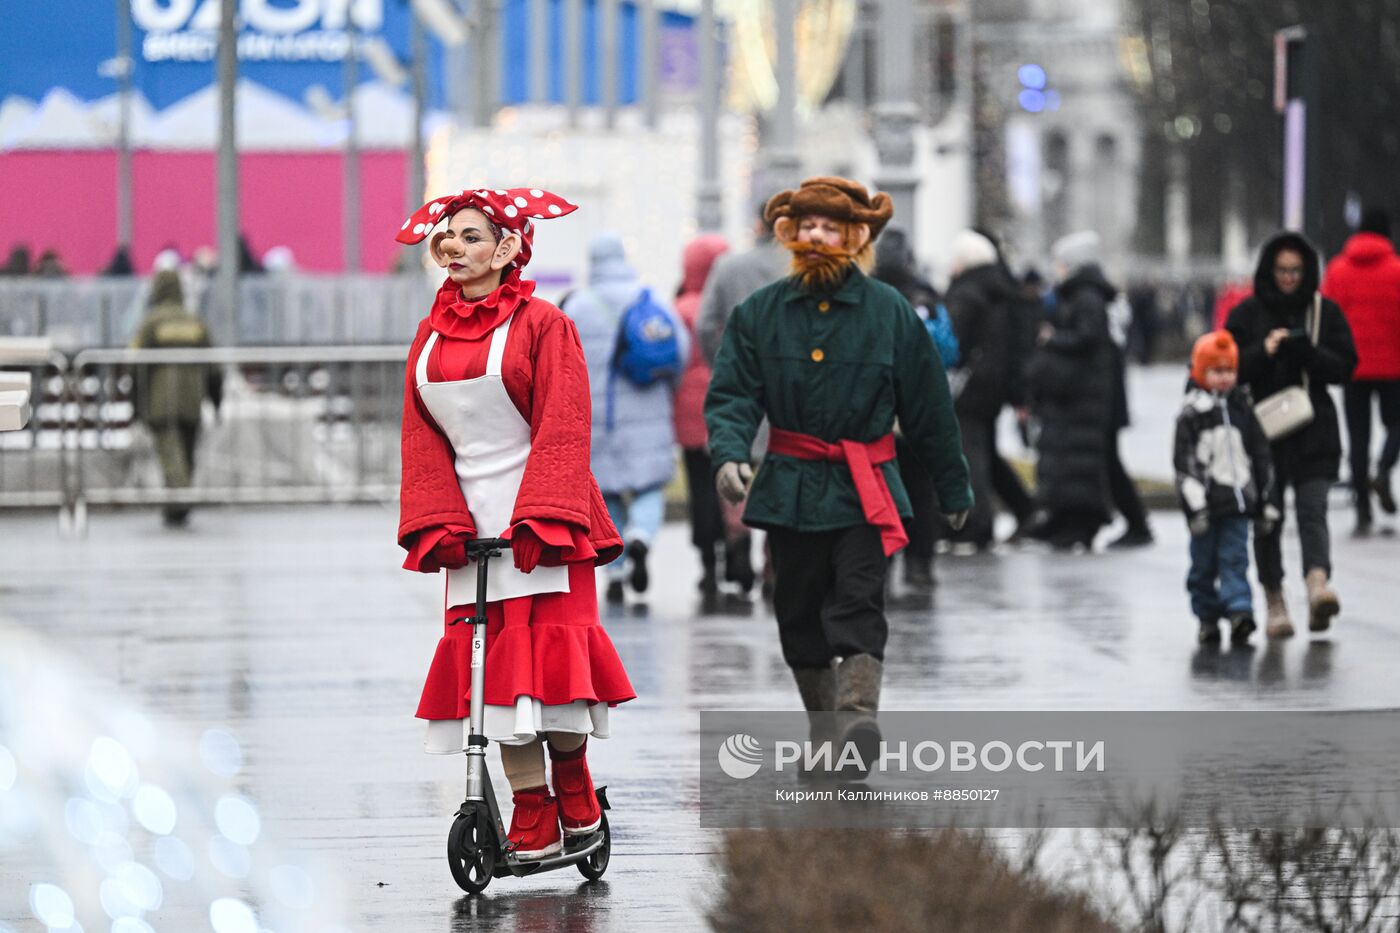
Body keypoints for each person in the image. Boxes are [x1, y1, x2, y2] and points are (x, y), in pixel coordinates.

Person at [394, 187, 636, 860]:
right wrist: (436, 518)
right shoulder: (429, 334)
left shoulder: (543, 324)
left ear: (507, 248)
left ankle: (574, 786)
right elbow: (420, 438)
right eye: (448, 236)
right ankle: (531, 806)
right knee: (491, 682)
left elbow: (565, 425)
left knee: (554, 674)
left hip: (545, 526)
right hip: (471, 529)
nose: (453, 246)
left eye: (470, 235)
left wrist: (544, 512)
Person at [705, 176, 972, 762]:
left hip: (864, 486)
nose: (818, 236)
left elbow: (929, 406)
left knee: (858, 600)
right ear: (790, 234)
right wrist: (729, 453)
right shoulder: (760, 313)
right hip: (791, 487)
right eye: (808, 226)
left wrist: (952, 486)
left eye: (830, 227)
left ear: (855, 238)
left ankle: (856, 719)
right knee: (797, 612)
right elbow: (732, 394)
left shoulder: (890, 312)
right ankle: (826, 731)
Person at [1226, 232, 1358, 637]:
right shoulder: (1247, 314)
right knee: (1268, 519)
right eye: (1282, 270)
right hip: (1263, 436)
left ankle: (1317, 586)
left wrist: (1306, 353)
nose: (1288, 278)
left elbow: (1346, 366)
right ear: (1269, 270)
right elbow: (1227, 369)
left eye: (1296, 271)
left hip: (1314, 430)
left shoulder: (1323, 311)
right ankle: (1275, 600)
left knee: (1312, 510)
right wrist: (1262, 352)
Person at [562, 234, 687, 605]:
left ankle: (615, 569)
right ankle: (641, 537)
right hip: (649, 406)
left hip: (596, 413)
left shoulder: (577, 305)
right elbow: (680, 350)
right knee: (650, 485)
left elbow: (560, 361)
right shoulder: (650, 298)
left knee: (608, 490)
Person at [1174, 330, 1276, 647]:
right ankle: (1207, 617)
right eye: (1216, 371)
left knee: (1235, 559)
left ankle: (1239, 610)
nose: (1224, 378)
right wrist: (1194, 506)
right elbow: (1185, 465)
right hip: (1205, 506)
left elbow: (1260, 456)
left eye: (1229, 370)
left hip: (1238, 503)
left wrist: (1264, 500)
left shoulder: (1243, 410)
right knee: (1203, 567)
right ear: (1200, 372)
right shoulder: (1192, 414)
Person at [1024, 232, 1117, 550]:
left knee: (1078, 465)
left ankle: (1079, 523)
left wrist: (1052, 338)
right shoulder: (1079, 295)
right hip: (1075, 394)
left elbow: (1087, 338)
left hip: (1081, 394)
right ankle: (1064, 518)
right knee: (1068, 463)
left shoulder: (1085, 297)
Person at [873, 226, 945, 588]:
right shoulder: (925, 297)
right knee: (920, 487)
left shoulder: (862, 295)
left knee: (878, 488)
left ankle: (881, 561)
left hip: (875, 410)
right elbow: (948, 349)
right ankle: (920, 562)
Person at [1322, 207, 1400, 535]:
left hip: (1351, 366)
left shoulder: (1338, 270)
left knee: (1357, 438)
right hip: (1394, 365)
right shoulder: (1396, 270)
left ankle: (1363, 510)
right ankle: (1383, 469)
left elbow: (1326, 316)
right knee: (1396, 424)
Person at [673, 233, 741, 596]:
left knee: (700, 487)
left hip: (689, 409)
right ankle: (736, 552)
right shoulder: (733, 305)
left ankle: (708, 565)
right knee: (733, 482)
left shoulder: (680, 308)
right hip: (728, 405)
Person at [944, 230, 1018, 551]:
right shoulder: (1000, 288)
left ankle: (975, 524)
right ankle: (1019, 510)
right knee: (984, 452)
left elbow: (953, 341)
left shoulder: (966, 293)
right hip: (992, 384)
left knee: (969, 455)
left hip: (968, 386)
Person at [130, 269, 223, 527]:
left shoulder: (151, 323)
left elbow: (135, 366)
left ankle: (179, 502)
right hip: (192, 400)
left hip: (161, 401)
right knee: (187, 454)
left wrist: (135, 404)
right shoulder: (195, 321)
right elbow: (214, 368)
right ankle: (178, 504)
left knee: (171, 456)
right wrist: (216, 401)